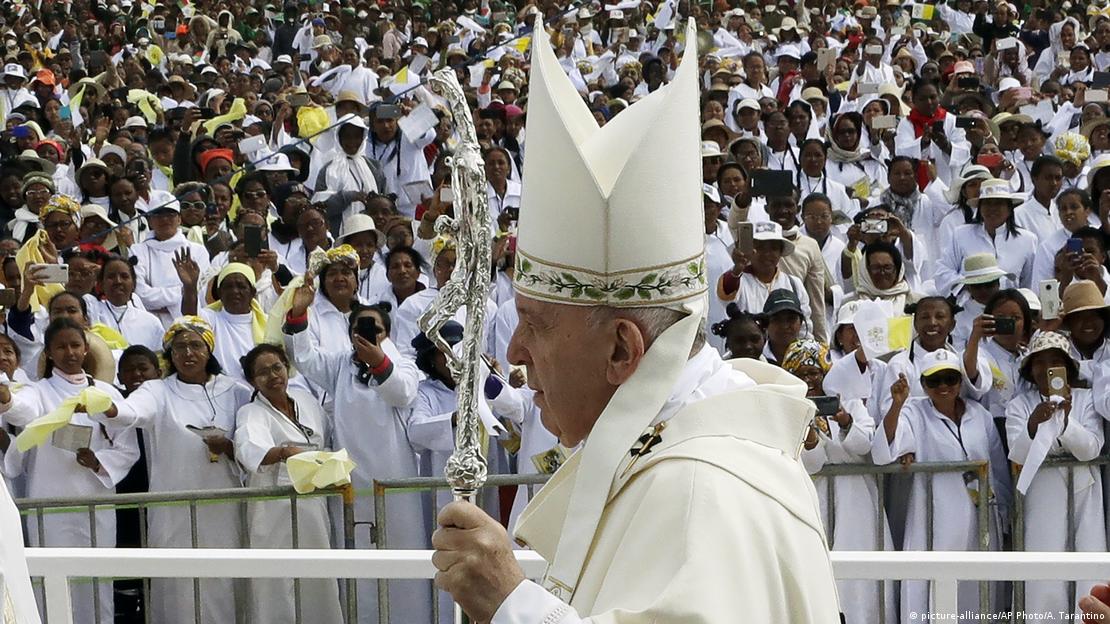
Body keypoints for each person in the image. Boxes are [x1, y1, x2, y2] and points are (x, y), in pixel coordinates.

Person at [431, 23, 840, 623]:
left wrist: (511, 604)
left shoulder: (701, 488)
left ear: (623, 349)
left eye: (536, 325)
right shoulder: (684, 447)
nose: (515, 350)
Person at [282, 271, 431, 623]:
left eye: (374, 329)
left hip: (394, 481)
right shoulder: (339, 364)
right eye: (359, 329)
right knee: (357, 563)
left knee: (401, 557)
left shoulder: (404, 362)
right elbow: (302, 357)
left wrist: (378, 360)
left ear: (386, 333)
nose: (367, 335)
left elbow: (402, 393)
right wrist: (299, 314)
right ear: (349, 335)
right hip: (351, 478)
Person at [85, 316, 250, 624]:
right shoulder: (157, 390)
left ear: (209, 350)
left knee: (224, 584)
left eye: (195, 346)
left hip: (224, 510)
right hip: (174, 512)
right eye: (180, 347)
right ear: (170, 355)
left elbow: (252, 438)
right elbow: (132, 412)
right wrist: (109, 408)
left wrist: (228, 447)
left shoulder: (235, 391)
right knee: (179, 589)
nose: (188, 353)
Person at [0, 317, 138, 624]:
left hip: (96, 499)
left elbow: (128, 445)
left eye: (75, 345)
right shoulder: (40, 391)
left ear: (86, 348)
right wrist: (7, 398)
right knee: (54, 576)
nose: (70, 352)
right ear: (48, 352)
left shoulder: (105, 392)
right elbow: (23, 409)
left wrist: (100, 462)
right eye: (61, 347)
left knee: (97, 577)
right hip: (51, 502)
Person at [873, 349, 1009, 623]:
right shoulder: (914, 411)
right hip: (935, 518)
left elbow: (998, 468)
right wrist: (897, 405)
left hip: (980, 518)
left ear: (960, 381)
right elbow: (884, 451)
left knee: (976, 588)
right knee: (934, 587)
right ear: (923, 385)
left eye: (950, 378)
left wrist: (1004, 515)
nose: (944, 386)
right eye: (934, 381)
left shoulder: (979, 414)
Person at [786, 339, 894, 624]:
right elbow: (812, 464)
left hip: (856, 499)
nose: (809, 379)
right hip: (815, 499)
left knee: (861, 574)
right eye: (801, 373)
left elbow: (863, 445)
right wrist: (809, 435)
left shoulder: (850, 400)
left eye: (814, 372)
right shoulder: (788, 408)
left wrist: (845, 421)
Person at [234, 343, 344, 624]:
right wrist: (283, 452)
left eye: (277, 368)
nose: (273, 376)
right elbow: (249, 451)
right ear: (252, 381)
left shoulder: (305, 400)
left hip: (313, 505)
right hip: (273, 510)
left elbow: (327, 439)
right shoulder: (251, 413)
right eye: (262, 373)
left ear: (287, 368)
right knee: (275, 582)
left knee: (318, 575)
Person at [1006, 331, 1105, 621]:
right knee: (1044, 566)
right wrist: (1034, 426)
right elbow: (1018, 454)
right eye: (1039, 362)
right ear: (1029, 369)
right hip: (1043, 493)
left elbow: (1090, 449)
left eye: (1054, 361)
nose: (1046, 368)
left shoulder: (1086, 400)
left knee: (1088, 562)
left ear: (1067, 367)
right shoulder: (1019, 405)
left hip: (1084, 490)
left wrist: (1067, 420)